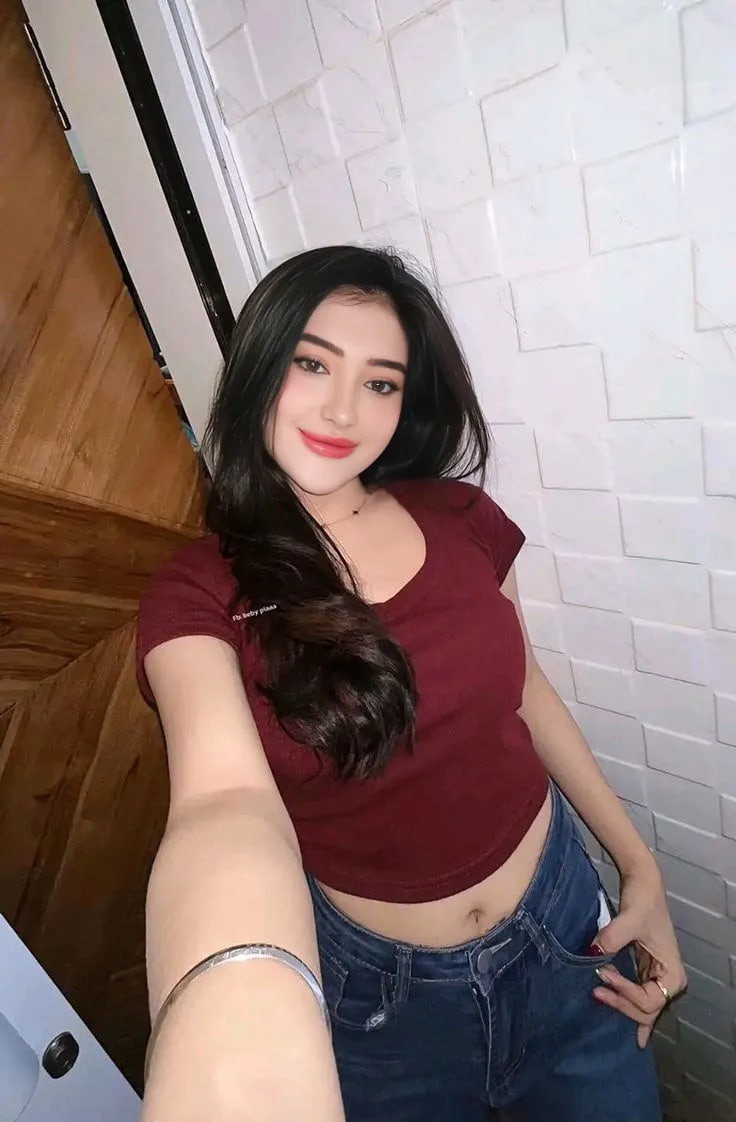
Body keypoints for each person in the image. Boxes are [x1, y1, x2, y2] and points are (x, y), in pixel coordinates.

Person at [135, 246, 686, 1122]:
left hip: (567, 940)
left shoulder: (462, 517)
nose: (343, 409)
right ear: (259, 366)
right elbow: (220, 806)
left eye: (381, 382)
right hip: (381, 1011)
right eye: (313, 363)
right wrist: (229, 1036)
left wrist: (638, 865)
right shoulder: (197, 594)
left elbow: (526, 692)